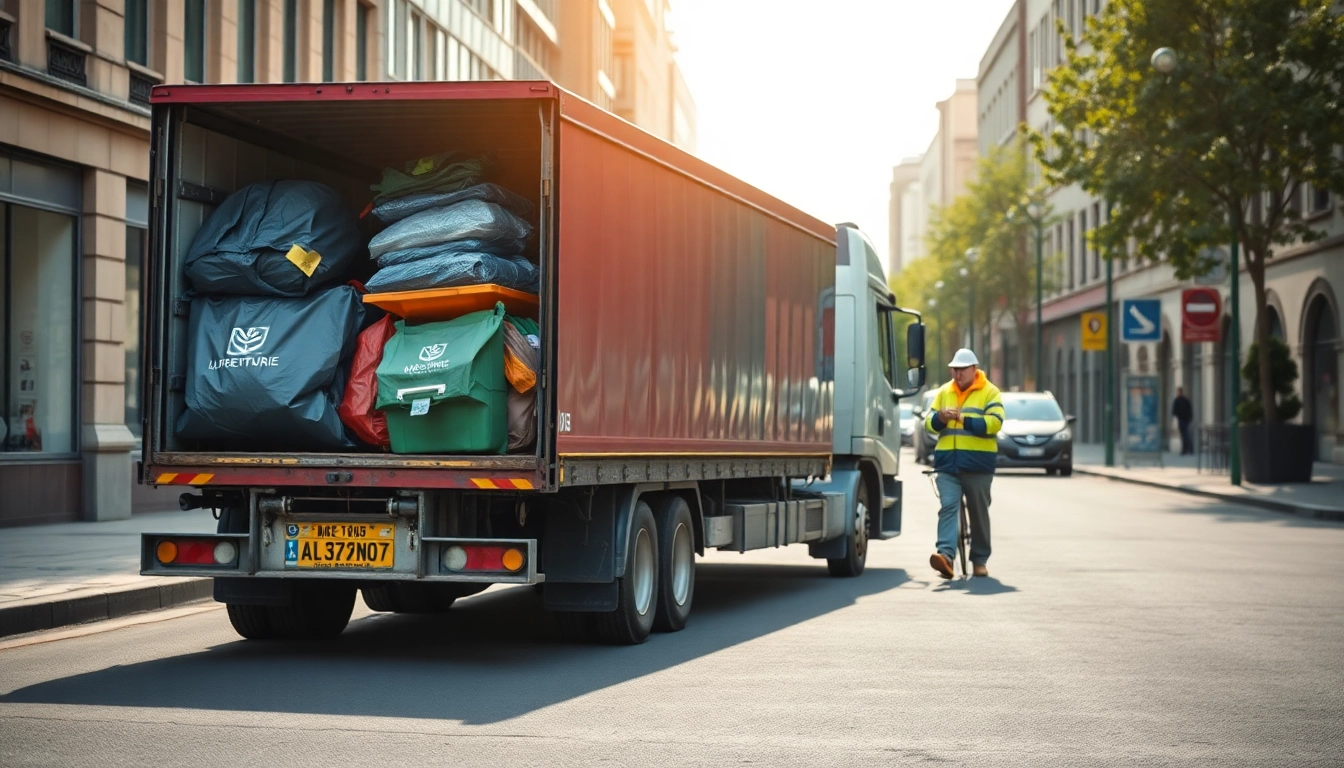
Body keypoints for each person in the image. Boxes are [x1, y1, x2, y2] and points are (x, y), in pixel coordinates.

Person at [924, 348, 1004, 579]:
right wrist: (940, 418)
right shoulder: (943, 392)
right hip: (947, 465)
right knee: (948, 507)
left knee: (978, 511)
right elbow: (928, 424)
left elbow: (995, 423)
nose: (957, 374)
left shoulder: (990, 392)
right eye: (954, 369)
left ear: (974, 369)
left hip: (978, 465)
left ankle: (979, 559)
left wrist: (963, 419)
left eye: (962, 370)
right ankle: (946, 557)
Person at [1172, 386, 1194, 455]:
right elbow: (1190, 410)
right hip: (1184, 420)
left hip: (1182, 419)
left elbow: (1174, 411)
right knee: (1185, 435)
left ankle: (1186, 449)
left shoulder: (1179, 400)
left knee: (1185, 435)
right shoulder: (1184, 400)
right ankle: (1189, 449)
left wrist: (1177, 415)